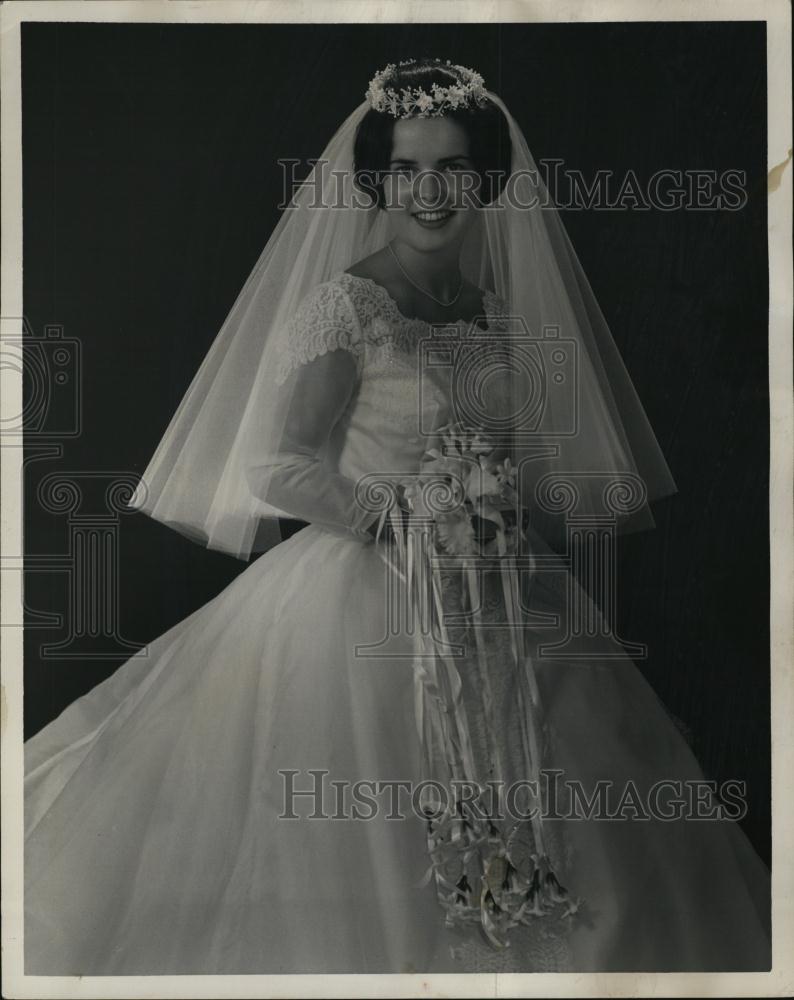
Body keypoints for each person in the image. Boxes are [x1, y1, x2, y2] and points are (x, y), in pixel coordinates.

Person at [24, 58, 771, 975]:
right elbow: (278, 464)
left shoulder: (497, 312)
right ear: (377, 181)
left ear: (485, 180)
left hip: (496, 591)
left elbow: (518, 459)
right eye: (407, 170)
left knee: (575, 806)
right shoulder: (348, 306)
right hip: (361, 594)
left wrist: (493, 506)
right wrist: (400, 514)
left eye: (452, 168)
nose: (429, 191)